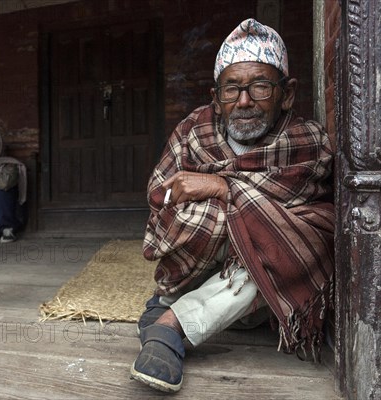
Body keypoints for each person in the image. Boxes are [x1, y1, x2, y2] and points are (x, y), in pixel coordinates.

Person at [130, 19, 335, 393]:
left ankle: (170, 323)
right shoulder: (194, 134)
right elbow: (160, 196)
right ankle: (175, 301)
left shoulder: (307, 144)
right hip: (195, 274)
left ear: (286, 94)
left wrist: (223, 187)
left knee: (299, 234)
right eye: (232, 89)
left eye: (259, 86)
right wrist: (229, 203)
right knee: (211, 215)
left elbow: (295, 227)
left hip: (265, 295)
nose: (244, 102)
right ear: (216, 96)